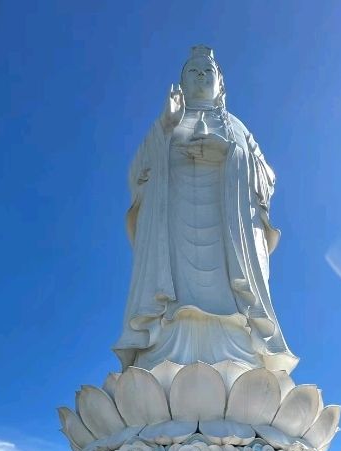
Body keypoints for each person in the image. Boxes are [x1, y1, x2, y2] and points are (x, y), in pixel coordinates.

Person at [113, 45, 297, 374]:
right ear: (181, 83)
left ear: (220, 84)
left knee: (234, 314)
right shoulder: (167, 125)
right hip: (174, 238)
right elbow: (135, 176)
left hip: (229, 243)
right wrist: (164, 129)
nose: (200, 77)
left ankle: (243, 365)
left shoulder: (237, 128)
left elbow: (267, 178)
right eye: (193, 72)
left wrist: (230, 156)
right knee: (174, 307)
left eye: (207, 72)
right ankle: (161, 362)